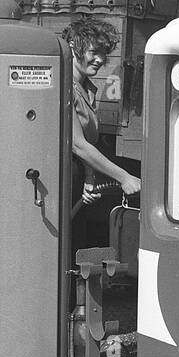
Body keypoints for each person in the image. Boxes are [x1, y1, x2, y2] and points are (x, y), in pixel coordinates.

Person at [63, 18, 141, 224]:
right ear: (73, 47)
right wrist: (124, 177)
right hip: (62, 176)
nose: (99, 59)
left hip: (78, 175)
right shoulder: (64, 87)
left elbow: (88, 142)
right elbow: (78, 145)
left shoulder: (87, 88)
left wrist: (90, 178)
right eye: (93, 52)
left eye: (103, 53)